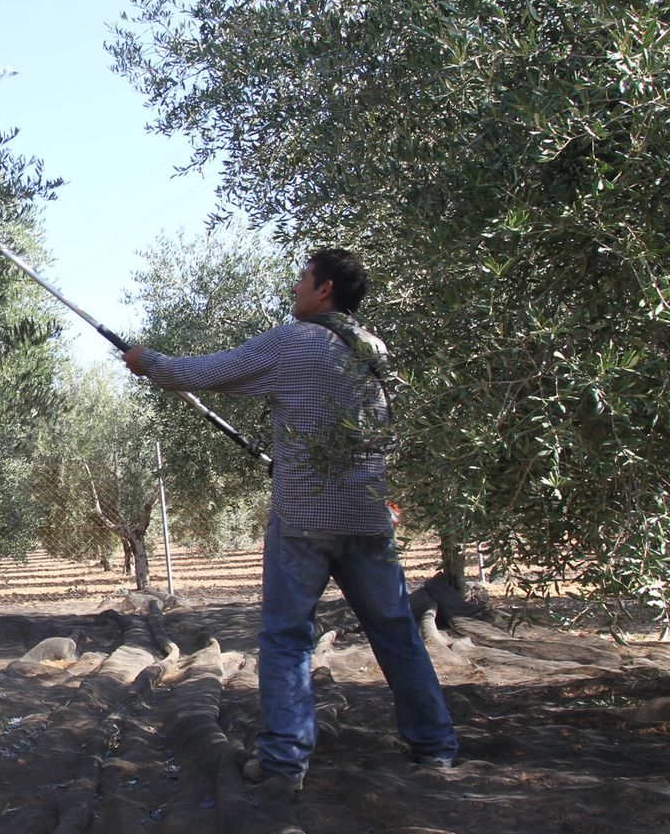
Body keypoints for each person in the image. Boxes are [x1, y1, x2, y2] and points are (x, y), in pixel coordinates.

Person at [123, 248, 457, 790]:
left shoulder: (293, 340)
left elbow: (208, 373)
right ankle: (434, 747)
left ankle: (284, 763)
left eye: (303, 279)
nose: (296, 288)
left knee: (285, 638)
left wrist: (150, 364)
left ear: (324, 289)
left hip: (304, 516)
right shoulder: (375, 348)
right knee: (396, 630)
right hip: (369, 515)